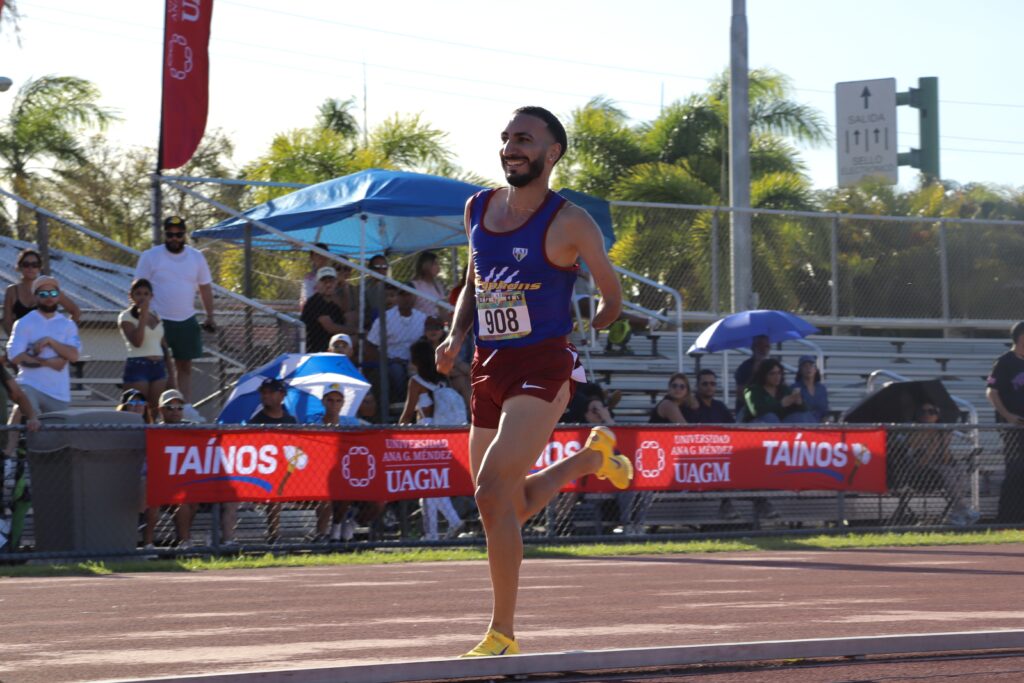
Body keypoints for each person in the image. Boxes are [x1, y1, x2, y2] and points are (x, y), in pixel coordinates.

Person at [435, 106, 630, 657]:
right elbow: (474, 280)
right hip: (487, 365)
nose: (510, 148)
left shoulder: (571, 221)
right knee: (503, 505)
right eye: (505, 138)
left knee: (492, 493)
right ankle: (589, 460)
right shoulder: (477, 207)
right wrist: (455, 335)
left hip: (543, 365)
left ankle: (502, 634)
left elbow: (612, 291)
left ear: (552, 152)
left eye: (523, 138)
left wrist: (604, 315)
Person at [133, 216, 216, 408]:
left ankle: (184, 408)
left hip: (186, 319)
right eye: (170, 235)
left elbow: (205, 287)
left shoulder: (196, 257)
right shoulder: (150, 256)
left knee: (184, 366)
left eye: (179, 235)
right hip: (157, 319)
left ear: (184, 235)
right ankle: (160, 409)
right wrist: (142, 315)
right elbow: (138, 287)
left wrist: (210, 316)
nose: (174, 239)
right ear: (165, 234)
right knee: (160, 368)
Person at [400, 339, 466, 541]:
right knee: (431, 483)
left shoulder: (416, 381)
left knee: (428, 484)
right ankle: (433, 534)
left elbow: (407, 413)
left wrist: (397, 432)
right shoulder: (442, 378)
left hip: (425, 434)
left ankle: (451, 523)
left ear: (415, 360)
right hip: (444, 434)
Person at [158, 388, 237, 549]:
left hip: (191, 481)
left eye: (179, 407)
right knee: (183, 501)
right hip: (166, 484)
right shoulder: (155, 430)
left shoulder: (191, 428)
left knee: (202, 498)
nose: (175, 411)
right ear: (161, 410)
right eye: (170, 407)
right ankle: (184, 541)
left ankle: (219, 540)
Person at [5, 275, 81, 415]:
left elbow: (74, 356)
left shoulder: (68, 325)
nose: (49, 297)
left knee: (56, 428)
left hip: (58, 393)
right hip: (30, 384)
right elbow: (15, 356)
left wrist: (50, 341)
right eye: (43, 294)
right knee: (28, 413)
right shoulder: (24, 322)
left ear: (59, 296)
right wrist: (49, 363)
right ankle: (15, 430)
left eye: (53, 293)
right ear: (35, 297)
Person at [904, 401, 980, 526]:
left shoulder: (941, 431)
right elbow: (920, 462)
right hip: (920, 472)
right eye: (923, 412)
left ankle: (958, 510)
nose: (927, 415)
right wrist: (932, 445)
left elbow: (946, 460)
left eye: (931, 412)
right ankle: (961, 509)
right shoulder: (916, 432)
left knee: (959, 470)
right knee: (947, 471)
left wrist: (944, 443)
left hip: (938, 469)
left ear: (937, 415)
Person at [245, 378, 297, 544]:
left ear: (282, 395)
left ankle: (322, 535)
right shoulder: (256, 421)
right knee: (275, 486)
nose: (265, 396)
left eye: (270, 392)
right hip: (265, 470)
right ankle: (274, 535)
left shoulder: (291, 421)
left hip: (288, 468)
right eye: (263, 392)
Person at [688, 369, 740, 520]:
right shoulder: (691, 406)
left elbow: (734, 429)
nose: (709, 387)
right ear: (697, 386)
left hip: (722, 452)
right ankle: (726, 504)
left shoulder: (719, 406)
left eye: (712, 384)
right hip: (698, 455)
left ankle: (761, 500)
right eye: (705, 384)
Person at [118, 278, 175, 414]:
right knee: (136, 410)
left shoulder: (155, 315)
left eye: (146, 294)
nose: (142, 297)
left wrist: (172, 375)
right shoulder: (125, 316)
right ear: (131, 296)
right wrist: (142, 315)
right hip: (138, 365)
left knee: (154, 411)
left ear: (151, 296)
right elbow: (137, 342)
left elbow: (164, 346)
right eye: (138, 293)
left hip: (158, 366)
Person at [986, 320, 1024, 523]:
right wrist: (1008, 416)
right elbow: (992, 392)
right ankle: (1008, 518)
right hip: (1013, 428)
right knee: (1016, 471)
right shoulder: (1004, 362)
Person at [365, 284, 427, 404]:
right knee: (397, 371)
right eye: (402, 294)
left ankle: (422, 404)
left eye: (409, 294)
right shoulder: (385, 318)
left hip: (415, 361)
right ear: (397, 297)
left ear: (415, 297)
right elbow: (369, 346)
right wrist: (387, 359)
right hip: (392, 360)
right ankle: (401, 403)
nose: (406, 298)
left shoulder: (422, 318)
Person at [3, 248, 81, 336]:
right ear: (19, 267)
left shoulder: (48, 288)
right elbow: (7, 321)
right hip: (23, 340)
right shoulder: (12, 291)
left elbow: (75, 311)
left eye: (35, 265)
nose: (30, 268)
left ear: (39, 268)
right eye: (26, 264)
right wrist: (16, 340)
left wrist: (64, 335)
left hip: (47, 340)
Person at [116, 388, 159, 549]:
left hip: (144, 474)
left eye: (141, 402)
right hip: (121, 473)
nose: (137, 406)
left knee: (151, 489)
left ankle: (147, 543)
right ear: (124, 406)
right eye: (133, 402)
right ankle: (139, 519)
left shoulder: (151, 427)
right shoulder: (116, 425)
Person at [300, 267, 351, 353]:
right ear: (317, 285)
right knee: (355, 340)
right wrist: (358, 331)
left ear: (336, 283)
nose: (328, 285)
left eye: (331, 281)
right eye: (324, 282)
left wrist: (345, 288)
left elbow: (346, 311)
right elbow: (331, 328)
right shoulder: (315, 302)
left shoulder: (333, 303)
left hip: (332, 342)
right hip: (316, 348)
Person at [742, 358, 809, 424]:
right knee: (770, 417)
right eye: (772, 373)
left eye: (779, 373)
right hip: (757, 426)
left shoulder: (784, 389)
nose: (777, 377)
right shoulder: (751, 390)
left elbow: (803, 410)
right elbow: (755, 411)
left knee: (800, 416)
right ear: (764, 375)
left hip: (781, 425)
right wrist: (780, 404)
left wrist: (800, 403)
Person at [734, 334, 771, 414]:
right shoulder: (744, 367)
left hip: (766, 408)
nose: (764, 349)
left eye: (767, 346)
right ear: (753, 347)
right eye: (760, 345)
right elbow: (740, 394)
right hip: (746, 410)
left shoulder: (771, 366)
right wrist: (754, 374)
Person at [411, 251, 449, 319]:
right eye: (435, 264)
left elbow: (442, 309)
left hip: (438, 323)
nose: (438, 267)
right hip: (420, 322)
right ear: (425, 265)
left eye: (438, 264)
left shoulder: (438, 285)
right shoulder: (414, 285)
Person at [793, 355, 830, 423]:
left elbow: (825, 411)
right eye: (805, 366)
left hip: (820, 425)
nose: (808, 368)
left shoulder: (822, 389)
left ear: (815, 369)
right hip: (802, 424)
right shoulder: (794, 388)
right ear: (800, 370)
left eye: (811, 365)